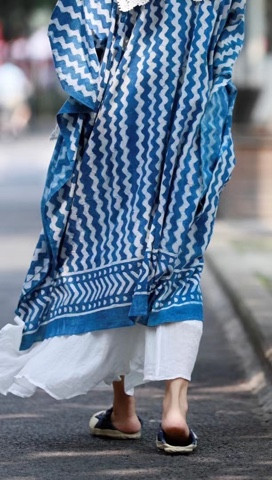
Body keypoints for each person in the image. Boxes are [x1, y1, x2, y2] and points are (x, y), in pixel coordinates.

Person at [0, 0, 246, 454]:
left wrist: (89, 96)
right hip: (191, 122)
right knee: (178, 262)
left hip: (119, 127)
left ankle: (124, 409)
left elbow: (75, 23)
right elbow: (228, 39)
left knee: (115, 250)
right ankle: (175, 407)